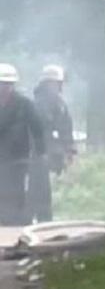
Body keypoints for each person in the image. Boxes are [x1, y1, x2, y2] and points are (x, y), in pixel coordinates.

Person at [29, 64, 75, 223]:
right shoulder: (37, 105)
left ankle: (43, 220)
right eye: (54, 84)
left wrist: (69, 150)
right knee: (36, 188)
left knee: (42, 190)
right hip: (34, 153)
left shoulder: (60, 105)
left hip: (48, 154)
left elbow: (66, 129)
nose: (57, 87)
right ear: (46, 84)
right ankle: (32, 219)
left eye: (58, 84)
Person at [0, 63, 45, 227]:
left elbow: (37, 127)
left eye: (8, 84)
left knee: (17, 190)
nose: (5, 88)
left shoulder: (24, 104)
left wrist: (41, 152)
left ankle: (15, 223)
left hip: (18, 157)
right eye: (2, 84)